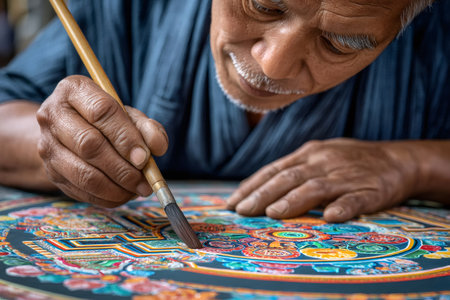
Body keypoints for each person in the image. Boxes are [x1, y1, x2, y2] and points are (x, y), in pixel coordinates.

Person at [0, 0, 448, 223]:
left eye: (340, 43)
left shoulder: (438, 38)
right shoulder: (128, 7)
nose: (272, 64)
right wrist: (56, 143)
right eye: (264, 5)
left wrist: (411, 164)